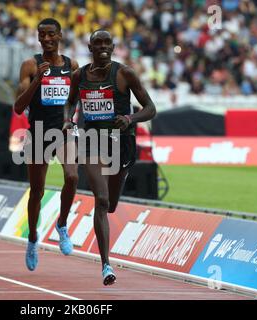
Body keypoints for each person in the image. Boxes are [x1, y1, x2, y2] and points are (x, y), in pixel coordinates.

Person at [63, 30, 156, 285]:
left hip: (122, 144)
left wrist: (129, 118)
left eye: (107, 43)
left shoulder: (125, 74)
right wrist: (68, 120)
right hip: (93, 142)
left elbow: (150, 109)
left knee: (111, 204)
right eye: (98, 43)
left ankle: (120, 177)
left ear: (113, 47)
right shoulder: (79, 76)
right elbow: (70, 103)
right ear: (90, 46)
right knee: (101, 201)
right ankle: (106, 265)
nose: (103, 47)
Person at [13, 18, 79, 271]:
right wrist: (38, 81)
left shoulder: (72, 66)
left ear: (60, 35)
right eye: (42, 35)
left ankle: (61, 224)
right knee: (37, 191)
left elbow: (74, 100)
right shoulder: (31, 65)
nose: (47, 39)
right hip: (38, 132)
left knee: (72, 176)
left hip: (63, 132)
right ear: (38, 38)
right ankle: (32, 239)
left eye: (51, 34)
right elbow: (18, 106)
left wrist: (69, 119)